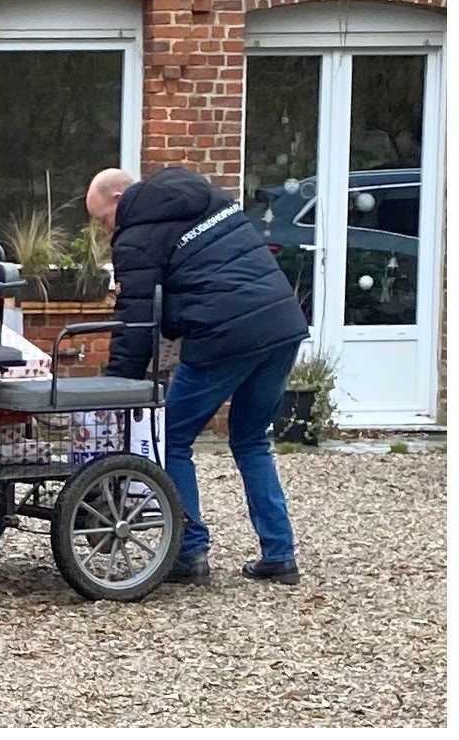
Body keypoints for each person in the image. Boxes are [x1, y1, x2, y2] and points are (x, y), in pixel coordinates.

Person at [86, 165, 308, 586]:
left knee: (170, 438)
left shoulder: (136, 237)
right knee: (251, 439)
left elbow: (135, 321)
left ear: (118, 201)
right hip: (282, 324)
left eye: (102, 219)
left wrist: (116, 385)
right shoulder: (208, 197)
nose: (104, 230)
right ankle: (279, 554)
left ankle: (189, 551)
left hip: (225, 333)